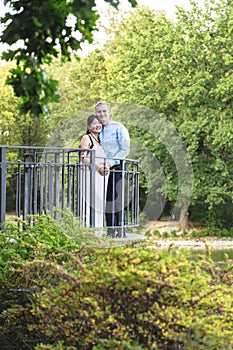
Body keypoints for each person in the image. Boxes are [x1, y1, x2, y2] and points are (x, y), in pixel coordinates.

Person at [95, 101, 130, 238]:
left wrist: (110, 162)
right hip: (102, 171)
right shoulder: (97, 129)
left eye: (104, 111)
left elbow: (125, 149)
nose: (102, 114)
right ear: (96, 114)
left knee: (117, 201)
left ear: (109, 112)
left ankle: (120, 231)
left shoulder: (119, 128)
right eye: (99, 112)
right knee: (106, 200)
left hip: (117, 168)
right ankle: (110, 232)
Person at [79, 115, 109, 228]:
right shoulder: (87, 138)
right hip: (90, 174)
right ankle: (87, 229)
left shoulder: (101, 140)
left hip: (101, 176)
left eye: (99, 123)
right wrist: (98, 167)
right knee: (89, 200)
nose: (98, 125)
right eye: (94, 123)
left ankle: (98, 231)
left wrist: (106, 165)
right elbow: (83, 157)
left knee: (99, 202)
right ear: (88, 126)